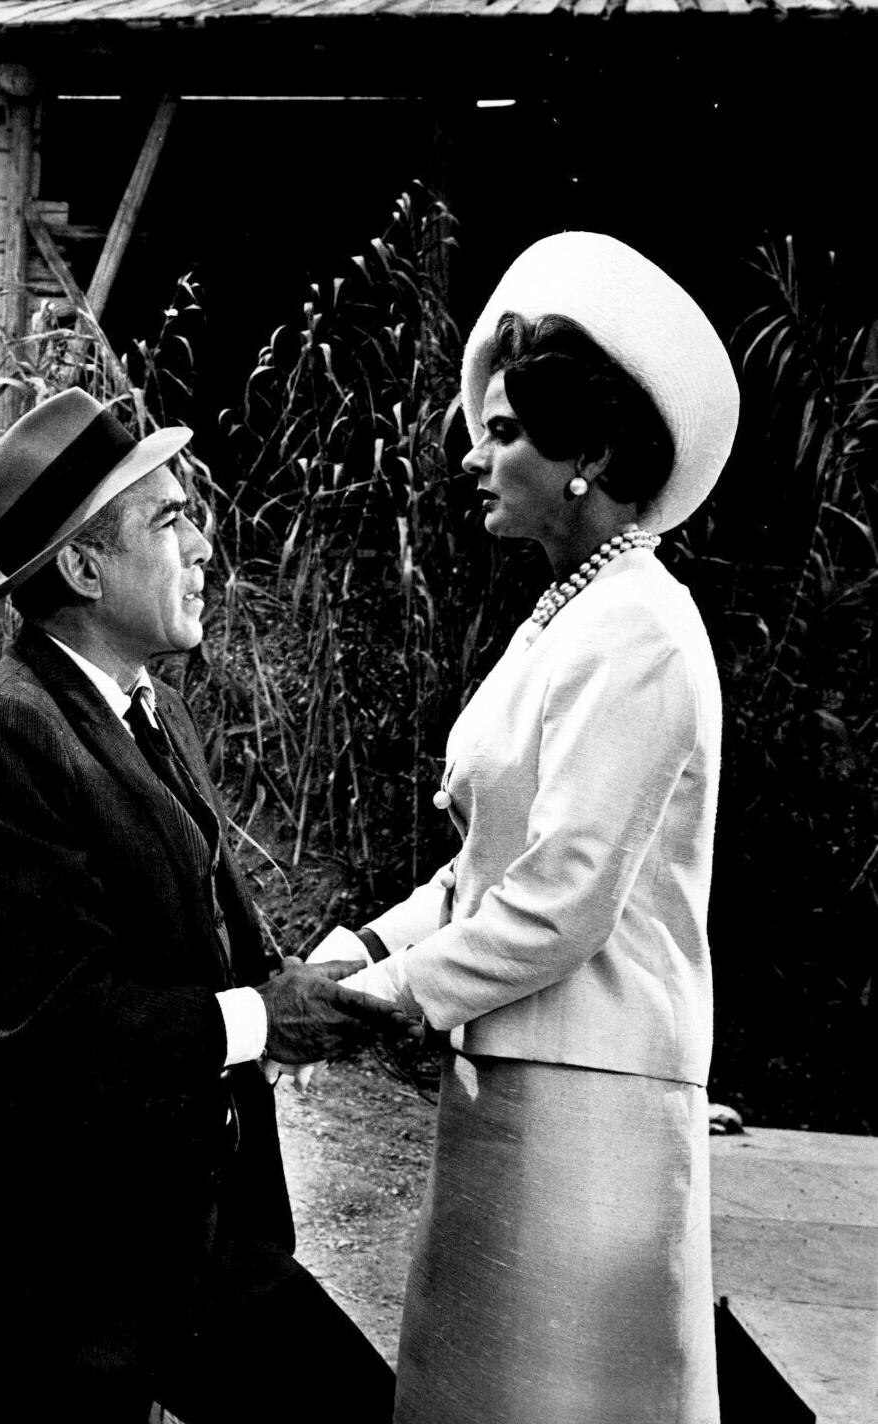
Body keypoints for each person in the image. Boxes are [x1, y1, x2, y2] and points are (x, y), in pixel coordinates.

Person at [0, 388, 403, 1423]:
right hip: (44, 1292)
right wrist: (265, 1019)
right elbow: (49, 1027)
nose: (203, 546)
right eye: (170, 520)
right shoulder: (4, 734)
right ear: (84, 570)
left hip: (176, 1242)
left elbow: (202, 937)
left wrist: (357, 963)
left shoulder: (150, 709)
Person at [313, 232, 741, 1423]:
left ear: (587, 456)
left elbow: (561, 899)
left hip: (590, 1102)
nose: (473, 453)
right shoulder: (566, 615)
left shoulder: (641, 627)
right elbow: (484, 865)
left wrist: (383, 997)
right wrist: (355, 950)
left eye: (503, 432)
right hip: (513, 1083)